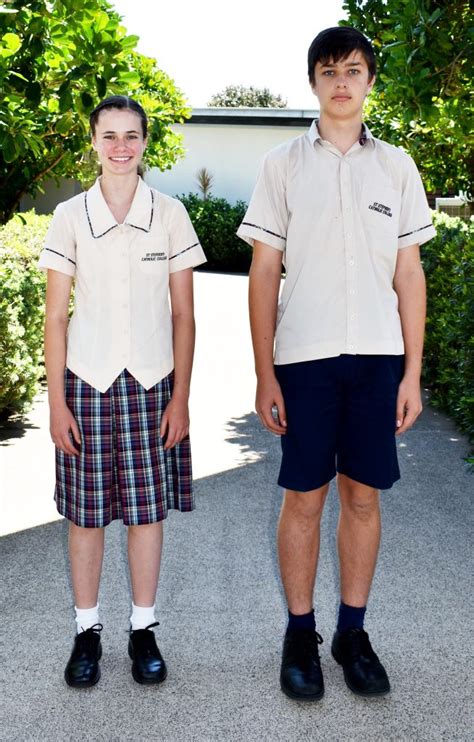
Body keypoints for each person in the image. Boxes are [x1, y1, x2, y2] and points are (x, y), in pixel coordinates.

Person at [237, 26, 435, 701]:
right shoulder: (283, 165)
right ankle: (300, 635)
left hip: (378, 361)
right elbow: (264, 272)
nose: (341, 81)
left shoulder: (398, 167)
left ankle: (353, 634)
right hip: (305, 361)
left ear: (370, 80)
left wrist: (411, 372)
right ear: (314, 82)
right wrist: (264, 372)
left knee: (362, 496)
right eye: (328, 71)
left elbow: (409, 274)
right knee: (304, 499)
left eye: (353, 69)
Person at [38, 95, 206, 687]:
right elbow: (56, 317)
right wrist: (56, 401)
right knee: (85, 518)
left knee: (144, 513)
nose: (120, 147)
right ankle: (87, 632)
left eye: (131, 136)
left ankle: (143, 629)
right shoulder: (69, 217)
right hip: (85, 384)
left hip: (154, 384)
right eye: (109, 136)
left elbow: (183, 315)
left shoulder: (171, 214)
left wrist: (180, 397)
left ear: (144, 142)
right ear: (93, 142)